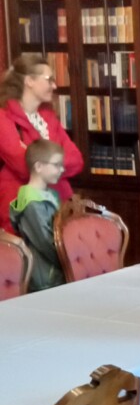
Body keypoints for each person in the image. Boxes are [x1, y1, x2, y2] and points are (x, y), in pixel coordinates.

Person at [0, 54, 82, 233]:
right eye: (49, 79)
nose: (54, 85)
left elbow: (77, 160)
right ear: (29, 81)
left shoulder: (48, 118)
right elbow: (23, 166)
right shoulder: (3, 118)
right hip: (24, 211)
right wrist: (57, 160)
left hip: (60, 206)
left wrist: (37, 156)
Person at [9, 139, 66, 291]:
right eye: (56, 165)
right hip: (45, 278)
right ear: (39, 166)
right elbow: (45, 242)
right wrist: (69, 261)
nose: (62, 169)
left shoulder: (50, 195)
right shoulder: (31, 203)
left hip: (57, 273)